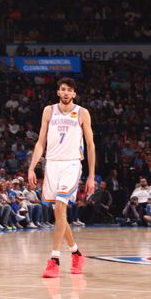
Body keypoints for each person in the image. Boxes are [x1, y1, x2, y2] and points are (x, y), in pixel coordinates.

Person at [28, 77, 96, 278]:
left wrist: (91, 175)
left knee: (60, 206)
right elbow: (40, 142)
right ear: (58, 92)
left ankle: (54, 260)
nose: (66, 93)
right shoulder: (49, 111)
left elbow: (91, 145)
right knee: (59, 214)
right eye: (63, 89)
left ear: (74, 94)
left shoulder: (82, 113)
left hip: (72, 163)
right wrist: (32, 167)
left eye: (70, 90)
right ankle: (76, 253)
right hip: (52, 164)